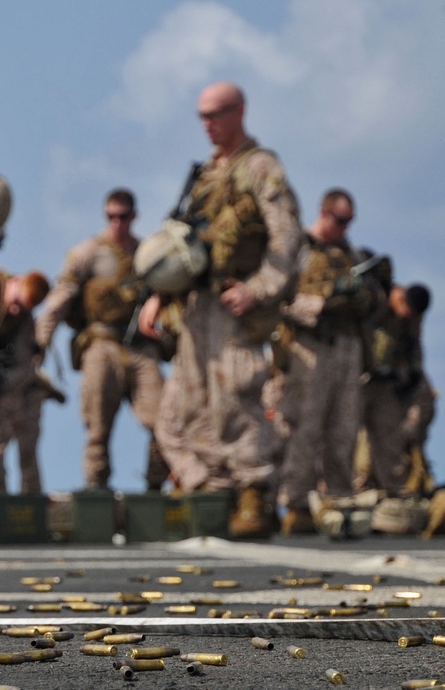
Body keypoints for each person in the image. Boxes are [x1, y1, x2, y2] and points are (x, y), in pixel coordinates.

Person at [138, 82, 302, 538]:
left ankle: (253, 493)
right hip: (195, 306)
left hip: (235, 307)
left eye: (216, 114)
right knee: (185, 406)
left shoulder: (260, 167)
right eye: (202, 116)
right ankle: (211, 490)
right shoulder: (206, 174)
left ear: (239, 112)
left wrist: (259, 288)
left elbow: (286, 237)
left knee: (237, 397)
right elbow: (186, 243)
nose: (208, 124)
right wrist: (161, 293)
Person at [36, 190, 169, 492]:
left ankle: (155, 487)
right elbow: (61, 297)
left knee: (163, 422)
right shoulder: (89, 253)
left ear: (134, 217)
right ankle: (96, 489)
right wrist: (40, 342)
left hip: (140, 347)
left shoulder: (147, 254)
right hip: (102, 345)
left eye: (123, 216)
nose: (117, 223)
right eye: (111, 216)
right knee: (97, 427)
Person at [273, 190, 377, 534]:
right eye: (340, 219)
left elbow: (369, 303)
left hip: (348, 348)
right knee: (306, 425)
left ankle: (340, 500)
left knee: (345, 428)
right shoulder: (300, 249)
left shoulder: (354, 254)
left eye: (349, 222)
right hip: (310, 347)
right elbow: (281, 297)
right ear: (324, 212)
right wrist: (322, 303)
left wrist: (365, 294)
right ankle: (298, 503)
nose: (344, 228)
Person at [0, 268, 53, 493]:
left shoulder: (24, 323)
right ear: (15, 283)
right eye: (15, 302)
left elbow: (23, 365)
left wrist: (2, 381)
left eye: (22, 308)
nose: (15, 310)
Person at [362, 282, 432, 497]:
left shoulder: (412, 318)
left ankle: (394, 490)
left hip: (388, 383)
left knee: (389, 433)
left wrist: (412, 373)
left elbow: (414, 347)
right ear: (400, 299)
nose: (407, 317)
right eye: (406, 312)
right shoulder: (376, 302)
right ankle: (355, 487)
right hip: (360, 379)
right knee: (350, 438)